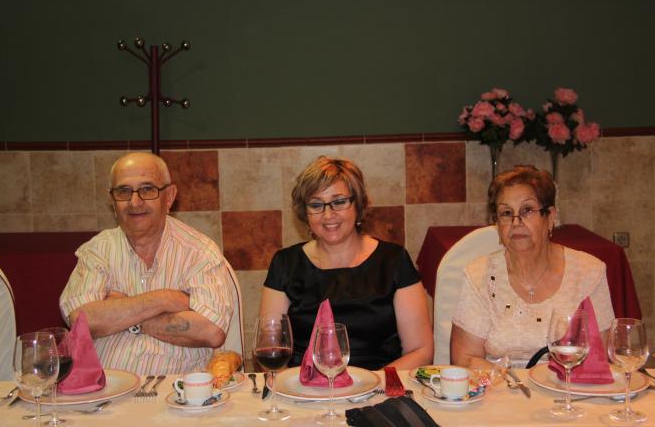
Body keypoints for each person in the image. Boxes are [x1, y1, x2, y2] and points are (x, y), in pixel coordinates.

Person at [60, 152, 235, 375]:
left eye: (147, 189)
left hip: (176, 390)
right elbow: (81, 321)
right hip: (104, 388)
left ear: (169, 197)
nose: (135, 202)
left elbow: (211, 331)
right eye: (123, 191)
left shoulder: (199, 252)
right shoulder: (97, 250)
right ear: (113, 200)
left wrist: (123, 314)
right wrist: (165, 299)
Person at [259, 156, 433, 370]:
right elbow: (269, 348)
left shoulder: (394, 261)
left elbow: (421, 350)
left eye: (339, 202)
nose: (328, 214)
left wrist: (373, 382)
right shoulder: (285, 263)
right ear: (305, 214)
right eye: (316, 205)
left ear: (358, 205)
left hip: (380, 384)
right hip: (302, 386)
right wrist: (292, 386)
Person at [450, 165, 615, 369]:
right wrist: (510, 383)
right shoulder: (478, 275)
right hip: (499, 385)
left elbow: (599, 359)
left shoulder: (589, 272)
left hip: (567, 386)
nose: (516, 222)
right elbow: (465, 358)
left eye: (527, 210)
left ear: (550, 217)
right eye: (506, 213)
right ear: (497, 225)